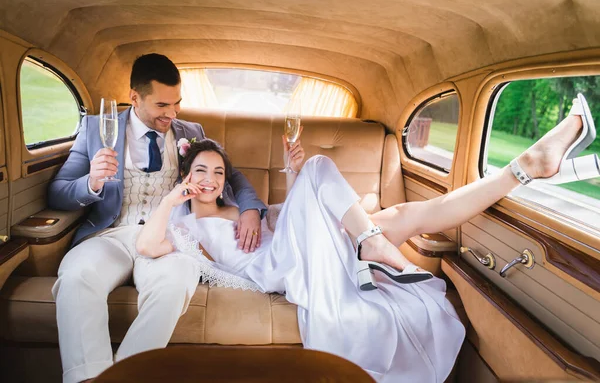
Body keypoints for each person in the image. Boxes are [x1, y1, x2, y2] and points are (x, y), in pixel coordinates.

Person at [135, 94, 597, 383]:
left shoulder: (245, 208)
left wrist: (290, 174)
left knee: (409, 212)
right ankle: (371, 242)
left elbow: (293, 218)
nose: (212, 179)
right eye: (201, 171)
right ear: (187, 175)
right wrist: (173, 198)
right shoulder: (185, 226)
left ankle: (526, 168)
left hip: (297, 248)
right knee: (323, 171)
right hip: (283, 267)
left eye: (218, 171)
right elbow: (148, 246)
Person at [48, 53, 267, 383]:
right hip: (111, 234)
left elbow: (231, 176)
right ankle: (87, 378)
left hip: (171, 238)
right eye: (162, 105)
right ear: (135, 97)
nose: (172, 113)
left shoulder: (190, 131)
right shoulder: (96, 129)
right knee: (77, 275)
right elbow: (58, 192)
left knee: (179, 278)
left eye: (177, 103)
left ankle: (126, 376)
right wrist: (91, 182)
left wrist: (251, 210)